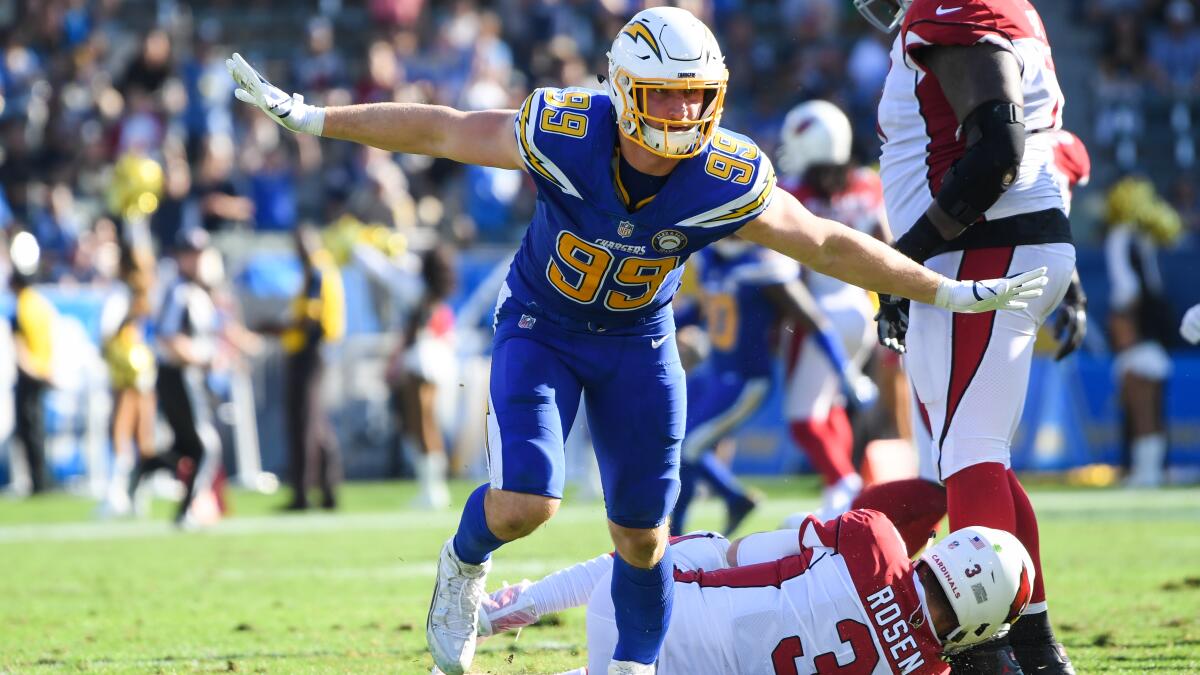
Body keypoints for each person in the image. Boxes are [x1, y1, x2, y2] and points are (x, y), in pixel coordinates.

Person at [227, 8, 1049, 673]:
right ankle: (462, 564)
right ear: (623, 93)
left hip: (638, 345)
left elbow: (826, 243)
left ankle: (635, 667)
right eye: (662, 96)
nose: (681, 113)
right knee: (526, 504)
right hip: (542, 327)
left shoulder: (723, 173)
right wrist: (314, 118)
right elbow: (443, 130)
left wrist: (941, 286)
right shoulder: (566, 128)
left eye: (696, 97)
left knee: (645, 539)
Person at [852, 0, 1084, 670]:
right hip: (998, 247)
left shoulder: (952, 10)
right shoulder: (1006, 13)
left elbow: (1000, 152)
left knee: (971, 458)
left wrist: (905, 261)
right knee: (977, 455)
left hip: (981, 250)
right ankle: (1036, 648)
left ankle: (989, 651)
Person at [477, 511, 1036, 675]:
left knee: (710, 548)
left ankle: (512, 606)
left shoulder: (875, 539)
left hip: (630, 615)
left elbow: (743, 556)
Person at [778, 100, 889, 520]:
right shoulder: (866, 184)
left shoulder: (793, 193)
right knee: (831, 407)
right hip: (860, 309)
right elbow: (886, 243)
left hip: (817, 313)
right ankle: (837, 497)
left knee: (804, 418)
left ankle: (845, 484)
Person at [128, 227, 222, 526]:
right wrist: (203, 359)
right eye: (190, 255)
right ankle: (188, 510)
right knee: (205, 446)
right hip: (177, 374)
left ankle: (146, 466)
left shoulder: (198, 291)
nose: (196, 261)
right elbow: (168, 337)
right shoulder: (179, 291)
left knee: (186, 446)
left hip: (187, 375)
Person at [1103, 177, 1181, 488]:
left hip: (1140, 339)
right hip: (1151, 335)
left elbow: (1128, 289)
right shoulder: (1144, 238)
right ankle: (1148, 471)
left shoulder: (1122, 237)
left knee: (1143, 411)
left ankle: (1147, 473)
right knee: (1146, 411)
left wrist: (1126, 322)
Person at [278, 225, 345, 511]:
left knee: (304, 421)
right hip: (316, 351)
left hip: (309, 351)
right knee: (315, 422)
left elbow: (310, 318)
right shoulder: (322, 268)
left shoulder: (316, 270)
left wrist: (277, 327)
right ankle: (328, 489)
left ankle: (303, 492)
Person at [388, 244, 458, 510]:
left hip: (420, 364)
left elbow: (411, 334)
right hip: (439, 363)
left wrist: (396, 362)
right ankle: (433, 488)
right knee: (428, 425)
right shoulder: (438, 295)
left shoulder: (420, 295)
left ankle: (431, 489)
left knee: (422, 425)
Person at [98, 242, 158, 517]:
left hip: (127, 371)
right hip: (143, 368)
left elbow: (107, 334)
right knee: (142, 436)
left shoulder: (122, 295)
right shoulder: (143, 295)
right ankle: (137, 494)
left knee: (122, 433)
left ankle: (120, 494)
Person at [9, 231, 55, 494]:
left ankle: (39, 483)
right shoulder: (39, 304)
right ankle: (40, 481)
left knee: (31, 432)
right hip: (42, 372)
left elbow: (21, 348)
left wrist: (33, 371)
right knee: (37, 431)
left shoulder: (23, 307)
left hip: (31, 375)